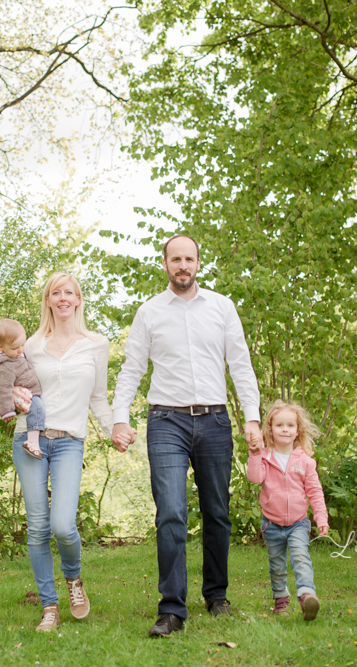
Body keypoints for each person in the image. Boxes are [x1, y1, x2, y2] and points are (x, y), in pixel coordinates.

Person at [111, 234, 262, 637]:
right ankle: (172, 609)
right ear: (165, 264)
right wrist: (119, 418)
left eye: (189, 259)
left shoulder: (222, 307)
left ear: (198, 263)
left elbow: (241, 365)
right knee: (172, 513)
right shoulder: (149, 312)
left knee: (217, 511)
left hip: (215, 421)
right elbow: (131, 369)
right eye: (175, 259)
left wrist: (252, 417)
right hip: (166, 422)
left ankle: (217, 596)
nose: (183, 265)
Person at [12, 272, 114, 632]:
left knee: (63, 526)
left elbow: (98, 396)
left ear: (79, 299)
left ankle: (73, 580)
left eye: (69, 292)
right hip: (29, 439)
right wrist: (12, 397)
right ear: (48, 300)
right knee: (38, 528)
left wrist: (113, 427)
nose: (63, 298)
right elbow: (7, 379)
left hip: (70, 441)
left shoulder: (96, 344)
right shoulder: (31, 345)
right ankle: (49, 606)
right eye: (56, 292)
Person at [247, 400, 329, 620]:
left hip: (298, 523)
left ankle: (306, 595)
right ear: (270, 430)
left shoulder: (305, 462)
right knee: (277, 565)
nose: (285, 429)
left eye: (290, 425)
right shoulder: (265, 456)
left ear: (297, 431)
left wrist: (321, 517)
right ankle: (281, 602)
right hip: (271, 524)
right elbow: (255, 478)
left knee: (301, 557)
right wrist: (254, 454)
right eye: (279, 425)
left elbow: (315, 491)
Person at [0, 318, 46, 459]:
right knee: (37, 409)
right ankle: (32, 443)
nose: (20, 350)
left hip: (31, 391)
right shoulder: (3, 367)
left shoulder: (16, 355)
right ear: (0, 347)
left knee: (38, 409)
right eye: (15, 348)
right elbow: (2, 390)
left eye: (22, 345)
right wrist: (6, 411)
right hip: (27, 395)